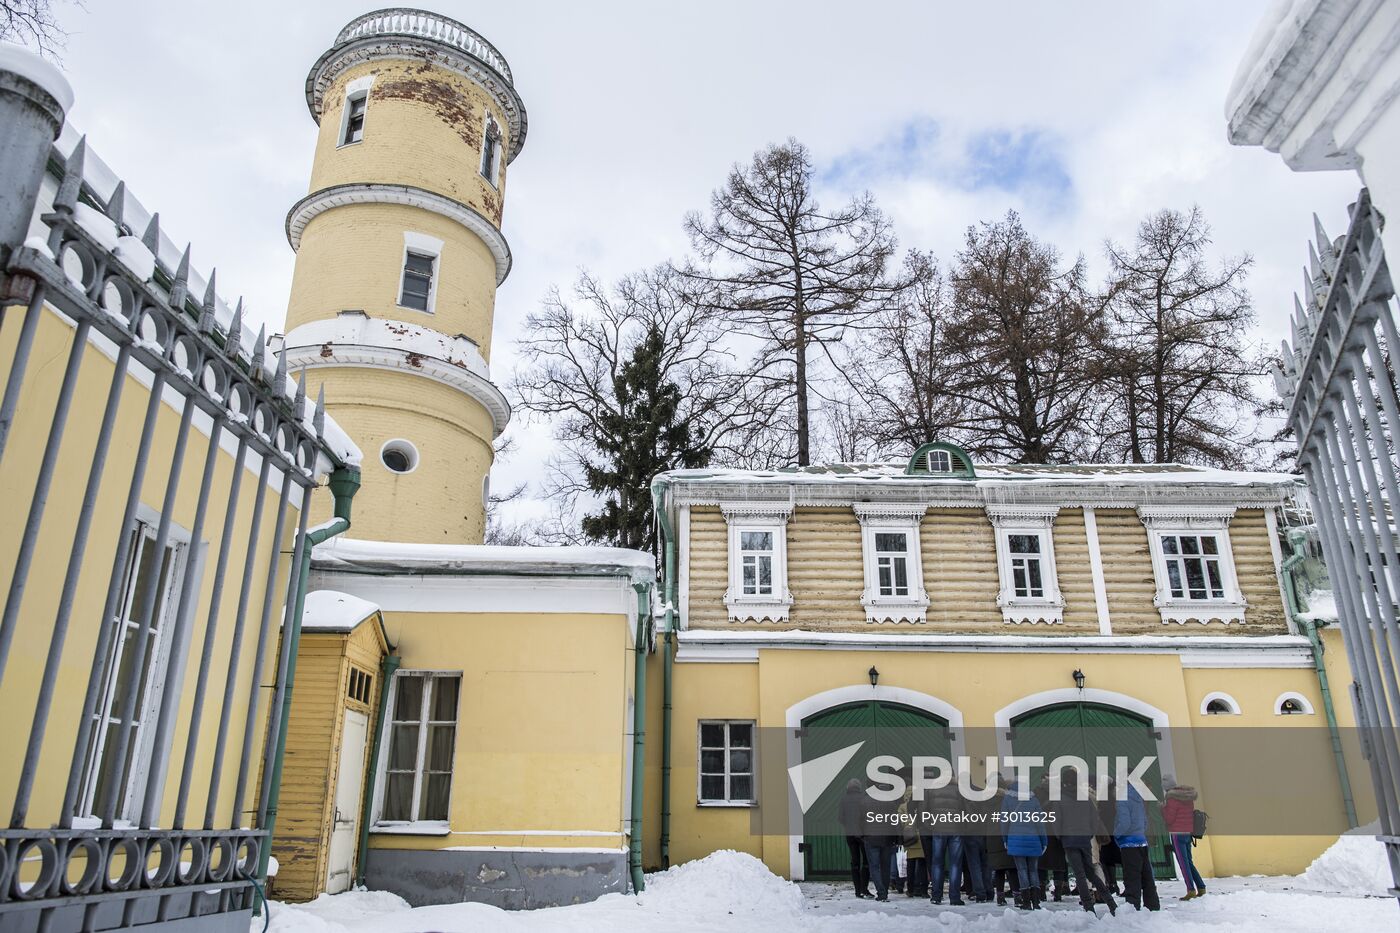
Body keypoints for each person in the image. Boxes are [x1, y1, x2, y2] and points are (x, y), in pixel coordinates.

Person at [1050, 771, 1117, 916]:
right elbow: (1094, 819)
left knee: (1080, 874)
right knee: (1091, 873)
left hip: (1069, 840)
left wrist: (1060, 836)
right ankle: (1111, 903)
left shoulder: (1059, 799)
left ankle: (1088, 906)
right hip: (1084, 839)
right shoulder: (1085, 799)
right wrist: (1089, 834)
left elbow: (1056, 821)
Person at [1001, 777, 1048, 910]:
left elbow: (1004, 822)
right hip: (1033, 840)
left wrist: (1005, 839)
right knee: (1033, 870)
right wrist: (1044, 841)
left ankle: (1026, 902)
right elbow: (1040, 822)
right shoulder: (1033, 800)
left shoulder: (1007, 800)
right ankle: (1036, 902)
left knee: (1021, 870)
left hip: (1015, 840)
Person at [1112, 782, 1160, 911]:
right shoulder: (1138, 799)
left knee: (1132, 876)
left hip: (1129, 843)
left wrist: (1116, 834)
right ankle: (1153, 905)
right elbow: (1145, 821)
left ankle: (1132, 906)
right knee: (1147, 876)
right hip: (1142, 841)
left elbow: (1124, 822)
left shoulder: (1122, 801)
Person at [920, 776, 965, 905]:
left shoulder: (931, 790)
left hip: (938, 829)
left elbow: (923, 811)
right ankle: (955, 897)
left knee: (937, 863)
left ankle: (936, 896)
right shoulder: (959, 790)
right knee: (955, 864)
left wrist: (931, 825)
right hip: (956, 829)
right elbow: (965, 809)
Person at [1163, 779, 1206, 900]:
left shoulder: (1171, 799)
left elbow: (1169, 819)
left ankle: (1190, 890)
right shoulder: (1187, 797)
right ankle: (1201, 887)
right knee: (1189, 861)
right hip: (1188, 832)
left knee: (1183, 862)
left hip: (1177, 833)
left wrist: (1162, 808)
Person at [861, 779, 901, 901]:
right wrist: (898, 838)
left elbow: (860, 820)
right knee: (886, 867)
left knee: (875, 867)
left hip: (871, 838)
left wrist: (863, 835)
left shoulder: (865, 801)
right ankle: (884, 893)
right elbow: (896, 822)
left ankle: (881, 892)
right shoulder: (891, 803)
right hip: (887, 839)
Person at [837, 778, 873, 898]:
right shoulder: (863, 798)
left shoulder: (843, 799)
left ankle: (857, 891)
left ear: (848, 787)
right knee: (866, 862)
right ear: (859, 787)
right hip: (863, 834)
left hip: (850, 835)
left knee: (855, 862)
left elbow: (840, 818)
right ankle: (864, 889)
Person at [961, 776, 993, 903]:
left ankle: (980, 893)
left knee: (974, 866)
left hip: (970, 833)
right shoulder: (982, 792)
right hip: (985, 832)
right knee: (986, 865)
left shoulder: (962, 796)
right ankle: (989, 891)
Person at [1096, 778, 1122, 897]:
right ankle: (1113, 884)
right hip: (1114, 830)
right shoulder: (1115, 796)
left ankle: (1111, 883)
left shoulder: (1104, 798)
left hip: (1106, 831)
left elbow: (1102, 814)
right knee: (1113, 859)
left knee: (1105, 859)